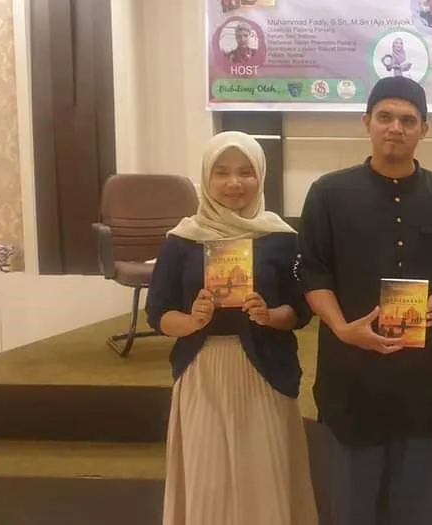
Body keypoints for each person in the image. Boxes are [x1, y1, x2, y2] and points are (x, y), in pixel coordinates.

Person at [296, 76, 432, 525]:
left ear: (424, 130)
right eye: (385, 117)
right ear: (366, 122)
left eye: (408, 120)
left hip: (424, 377)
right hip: (353, 373)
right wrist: (341, 328)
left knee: (418, 505)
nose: (396, 127)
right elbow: (313, 271)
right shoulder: (328, 193)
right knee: (353, 504)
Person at [146, 131, 318, 525]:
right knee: (209, 479)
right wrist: (192, 320)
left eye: (245, 172)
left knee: (265, 473)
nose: (234, 183)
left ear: (261, 176)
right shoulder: (181, 240)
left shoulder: (281, 239)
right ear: (205, 178)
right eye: (221, 172)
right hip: (201, 371)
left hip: (265, 370)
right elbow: (158, 314)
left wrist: (270, 315)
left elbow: (300, 309)